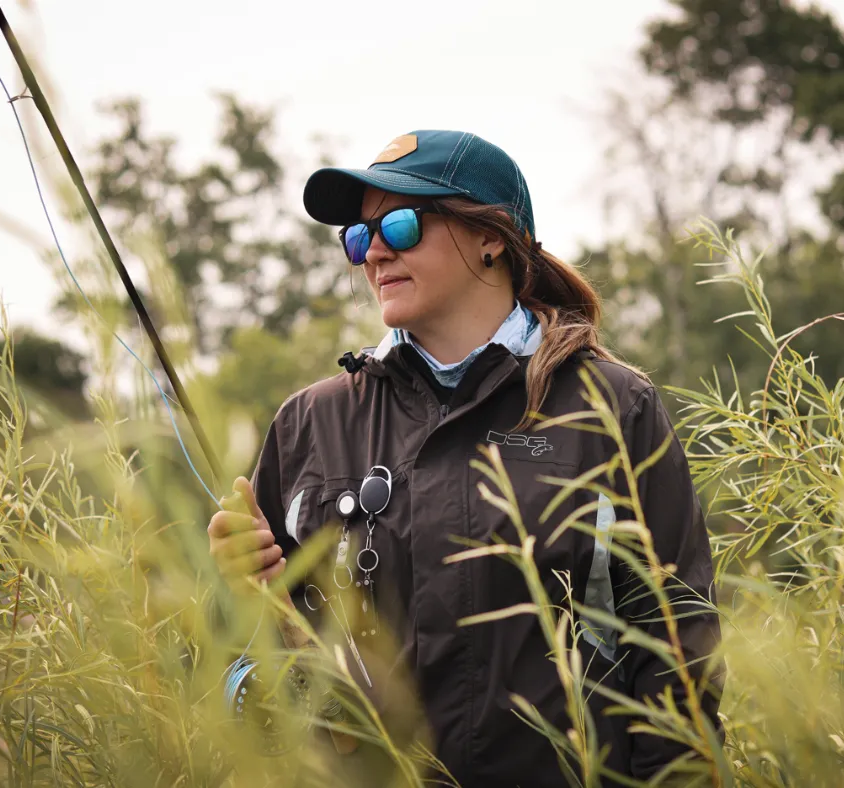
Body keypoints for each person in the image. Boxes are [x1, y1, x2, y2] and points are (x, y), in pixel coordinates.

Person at [207, 130, 722, 787]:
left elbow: (677, 650)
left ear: (492, 236)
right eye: (360, 237)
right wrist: (235, 586)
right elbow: (243, 660)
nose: (376, 252)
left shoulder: (613, 408)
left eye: (401, 223)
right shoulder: (309, 421)